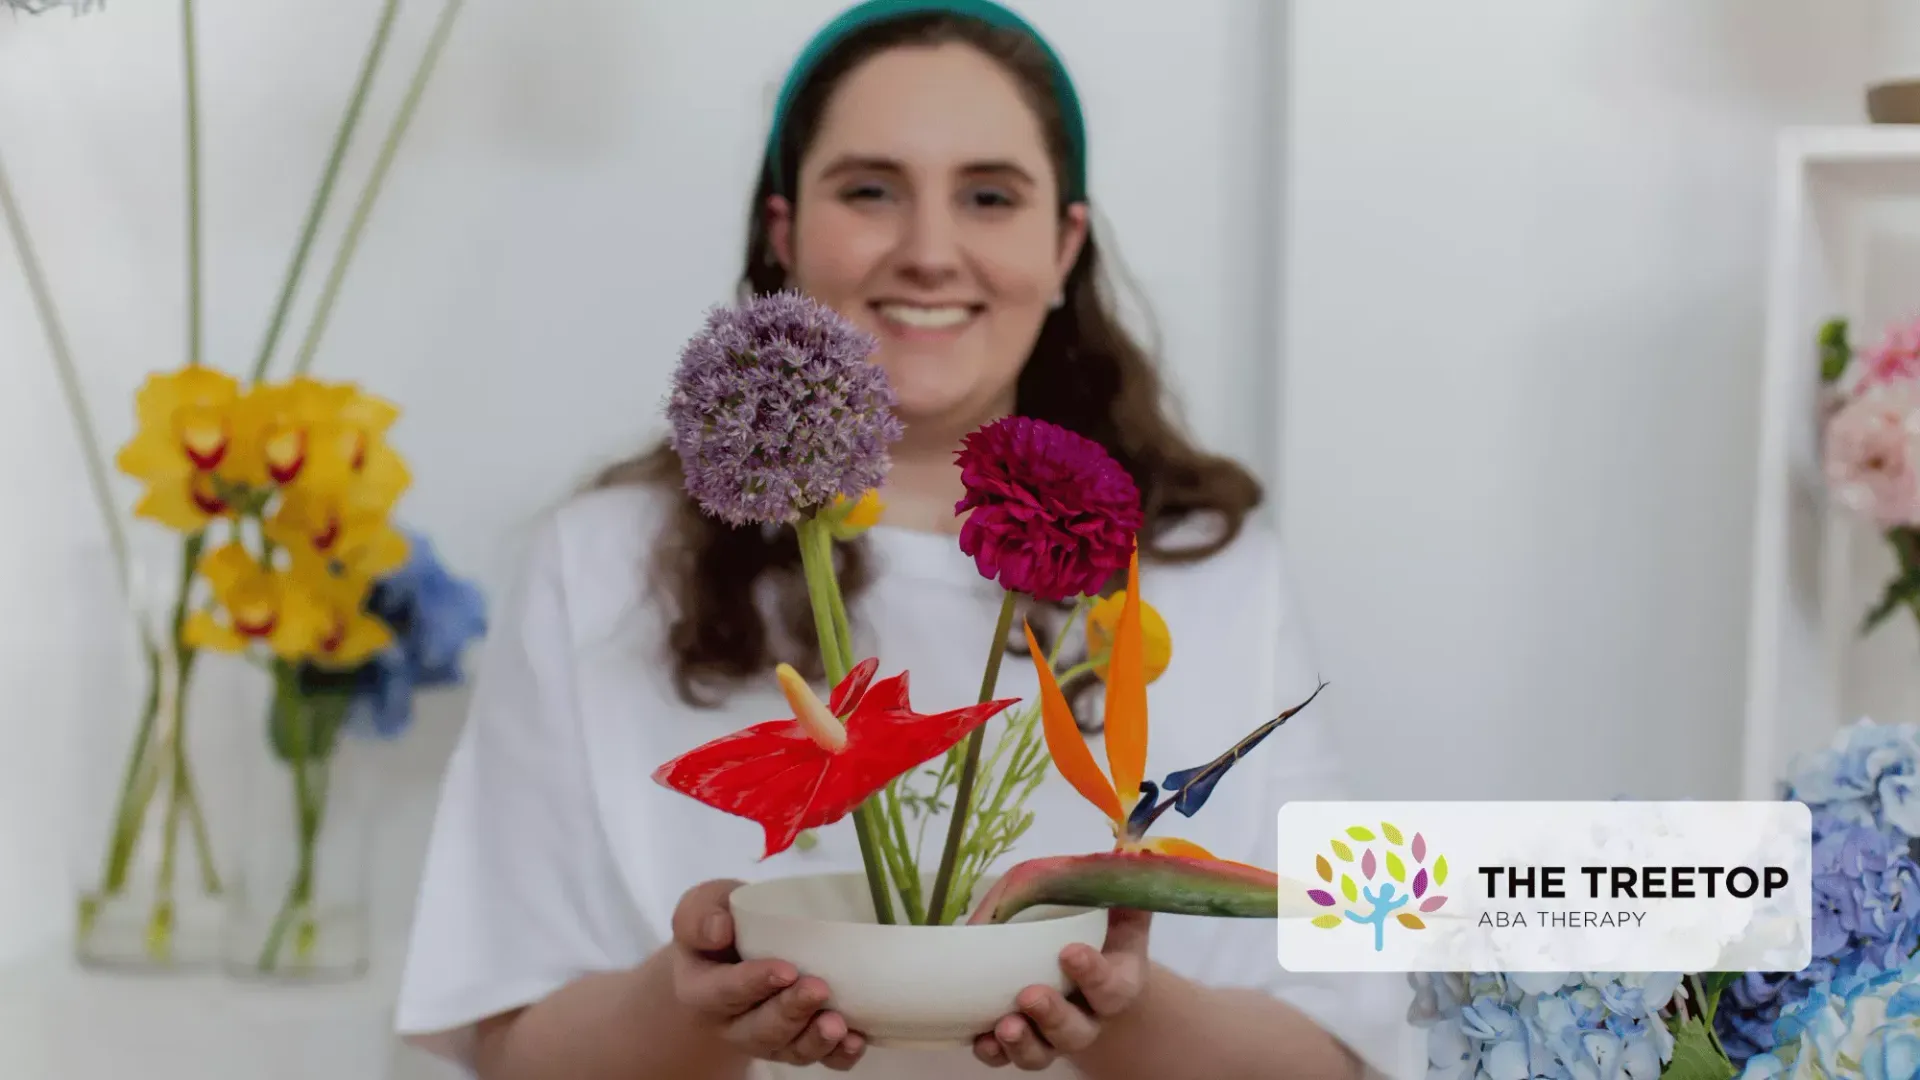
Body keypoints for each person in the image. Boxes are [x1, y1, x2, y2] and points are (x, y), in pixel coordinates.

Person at [394, 1, 1408, 1076]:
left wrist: (1127, 1005)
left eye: (989, 196)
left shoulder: (1214, 564)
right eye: (870, 191)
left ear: (1064, 244)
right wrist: (687, 1002)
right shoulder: (597, 566)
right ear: (784, 234)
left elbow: (1344, 1043)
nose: (929, 251)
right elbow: (508, 1046)